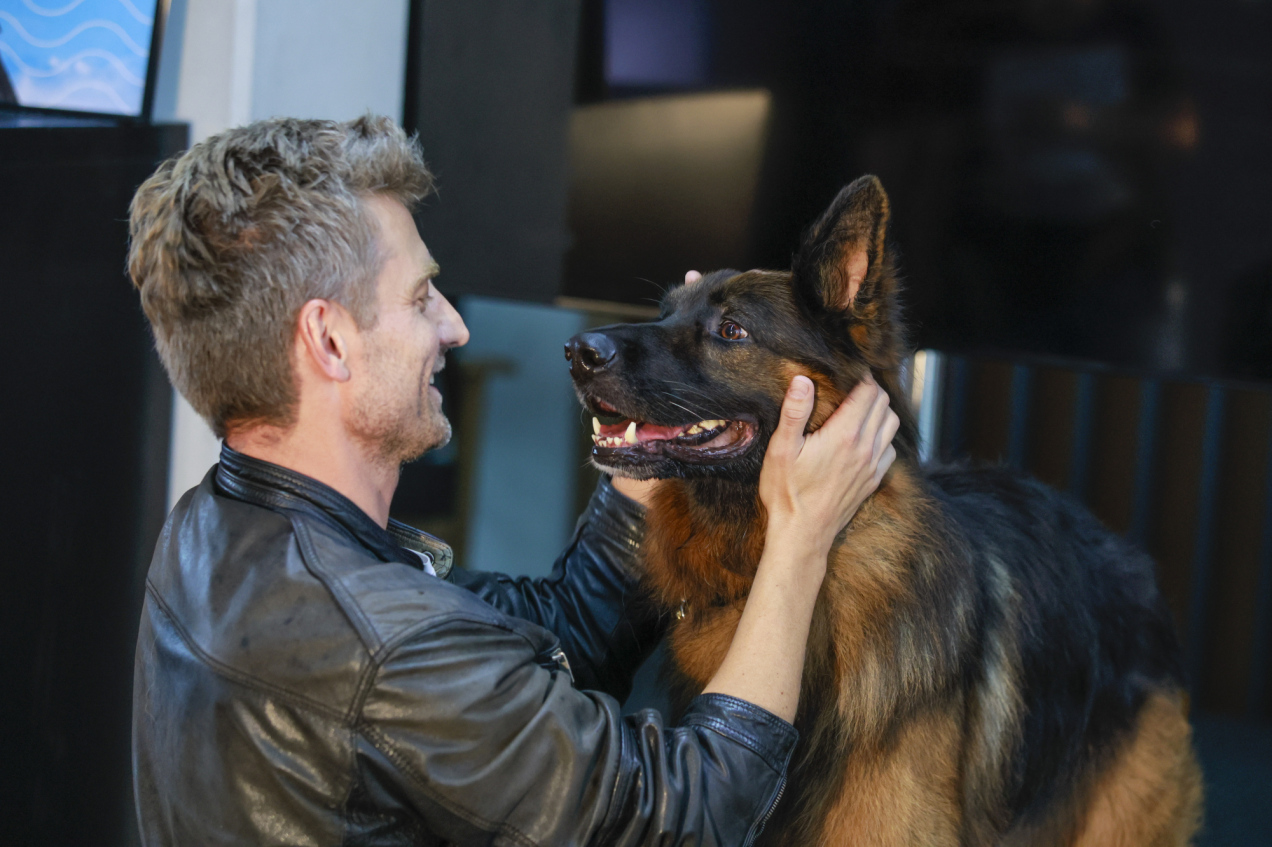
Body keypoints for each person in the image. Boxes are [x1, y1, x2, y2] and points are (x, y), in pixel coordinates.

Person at [127, 115, 899, 846]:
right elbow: (688, 814)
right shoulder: (386, 646)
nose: (454, 327)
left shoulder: (210, 528)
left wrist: (659, 426)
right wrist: (801, 536)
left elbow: (554, 639)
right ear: (329, 341)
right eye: (421, 297)